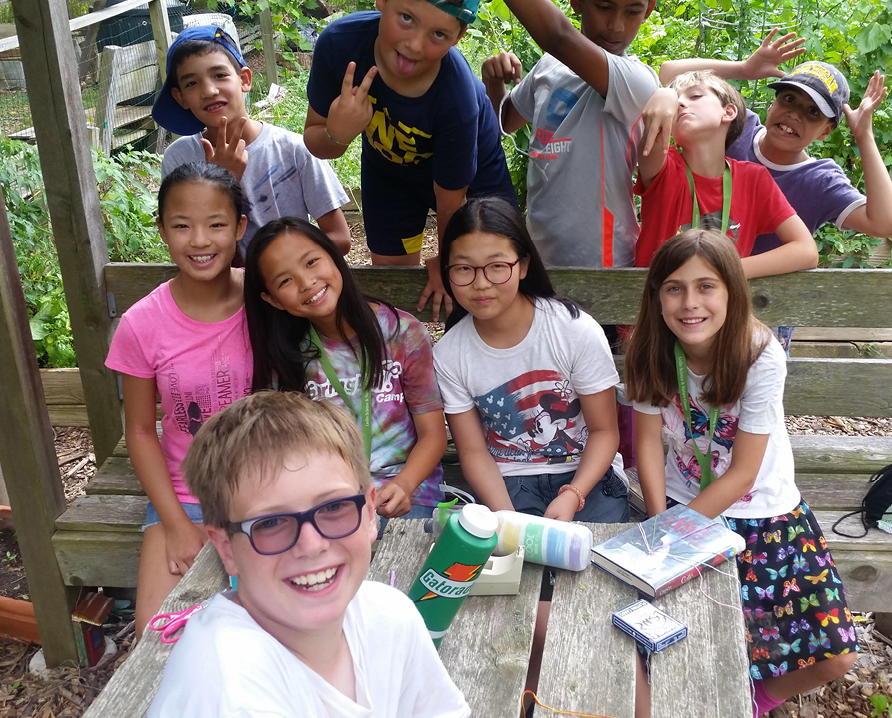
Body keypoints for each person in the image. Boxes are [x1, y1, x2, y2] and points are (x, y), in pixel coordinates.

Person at [624, 229, 858, 717]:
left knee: (836, 656)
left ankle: (748, 705)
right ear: (657, 297)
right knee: (670, 643)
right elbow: (646, 442)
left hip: (765, 515)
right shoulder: (648, 349)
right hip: (679, 505)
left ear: (732, 291)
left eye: (706, 286)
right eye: (674, 288)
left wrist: (672, 535)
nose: (690, 303)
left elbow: (744, 474)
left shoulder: (759, 353)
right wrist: (658, 520)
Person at [146, 392, 470, 717]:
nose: (312, 544)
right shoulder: (229, 693)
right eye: (271, 523)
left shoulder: (390, 617)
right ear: (226, 548)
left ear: (370, 513)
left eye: (334, 507)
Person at [660, 35, 892, 350]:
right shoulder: (736, 130)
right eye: (788, 99)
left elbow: (886, 223)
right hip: (692, 300)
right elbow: (668, 74)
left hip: (763, 306)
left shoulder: (819, 180)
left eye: (812, 112)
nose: (794, 115)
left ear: (826, 131)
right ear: (772, 103)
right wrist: (744, 69)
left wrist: (864, 135)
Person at [104, 162, 254, 629]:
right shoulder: (142, 324)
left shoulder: (267, 299)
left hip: (269, 490)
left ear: (239, 228)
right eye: (182, 226)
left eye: (216, 224)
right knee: (156, 635)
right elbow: (140, 432)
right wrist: (176, 525)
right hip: (188, 494)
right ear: (163, 231)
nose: (200, 241)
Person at [303, 0, 517, 320]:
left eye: (439, 34)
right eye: (406, 18)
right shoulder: (339, 44)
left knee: (482, 271)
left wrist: (448, 260)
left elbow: (451, 198)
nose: (415, 45)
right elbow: (316, 140)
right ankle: (404, 345)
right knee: (391, 281)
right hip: (389, 172)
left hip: (473, 180)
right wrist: (338, 133)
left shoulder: (456, 96)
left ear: (458, 37)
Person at [433, 197, 629, 523]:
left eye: (497, 266)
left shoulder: (574, 330)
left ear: (523, 265)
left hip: (586, 475)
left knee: (590, 549)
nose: (481, 283)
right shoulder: (450, 354)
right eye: (464, 268)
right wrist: (508, 520)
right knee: (516, 551)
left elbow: (604, 431)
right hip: (507, 481)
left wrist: (573, 494)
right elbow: (472, 451)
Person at [244, 218, 447, 528]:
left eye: (311, 262)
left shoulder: (403, 333)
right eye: (285, 281)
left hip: (409, 493)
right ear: (272, 299)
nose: (306, 282)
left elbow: (433, 434)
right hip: (327, 502)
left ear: (333, 255)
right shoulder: (286, 356)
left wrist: (405, 484)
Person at [481, 0, 672, 269]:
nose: (616, 26)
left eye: (632, 12)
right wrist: (493, 81)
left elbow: (558, 36)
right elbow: (504, 120)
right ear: (577, 3)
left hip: (602, 261)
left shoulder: (636, 80)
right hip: (539, 252)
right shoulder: (549, 65)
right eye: (604, 7)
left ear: (648, 11)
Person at [152, 25, 351, 253]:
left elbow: (340, 238)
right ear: (181, 98)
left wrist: (274, 265)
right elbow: (191, 245)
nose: (209, 91)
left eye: (219, 75)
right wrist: (221, 180)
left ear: (245, 80)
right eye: (191, 83)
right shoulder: (179, 158)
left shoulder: (295, 149)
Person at [632, 70, 819, 277]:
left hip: (722, 296)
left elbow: (806, 251)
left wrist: (723, 272)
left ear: (728, 112)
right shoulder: (664, 166)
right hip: (655, 295)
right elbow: (650, 143)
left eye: (695, 96)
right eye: (675, 101)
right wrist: (663, 95)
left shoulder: (754, 179)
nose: (680, 104)